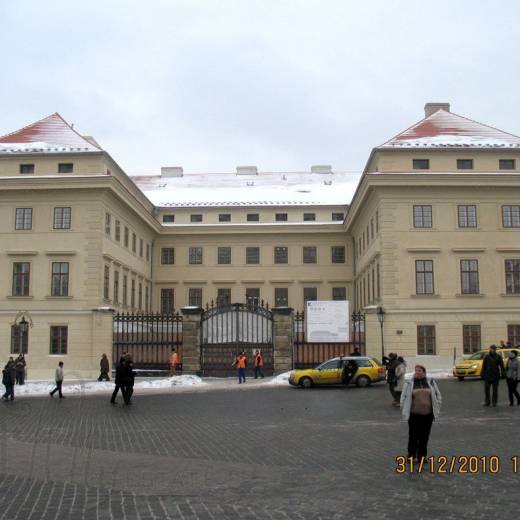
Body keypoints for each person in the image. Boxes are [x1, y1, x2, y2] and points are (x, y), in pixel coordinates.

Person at [400, 365, 442, 462]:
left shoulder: (430, 382)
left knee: (424, 436)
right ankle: (411, 456)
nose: (417, 372)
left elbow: (438, 395)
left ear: (424, 372)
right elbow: (403, 397)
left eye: (419, 371)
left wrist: (437, 406)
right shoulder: (409, 383)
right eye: (416, 371)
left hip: (428, 415)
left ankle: (422, 456)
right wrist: (404, 409)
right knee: (413, 436)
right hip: (414, 415)